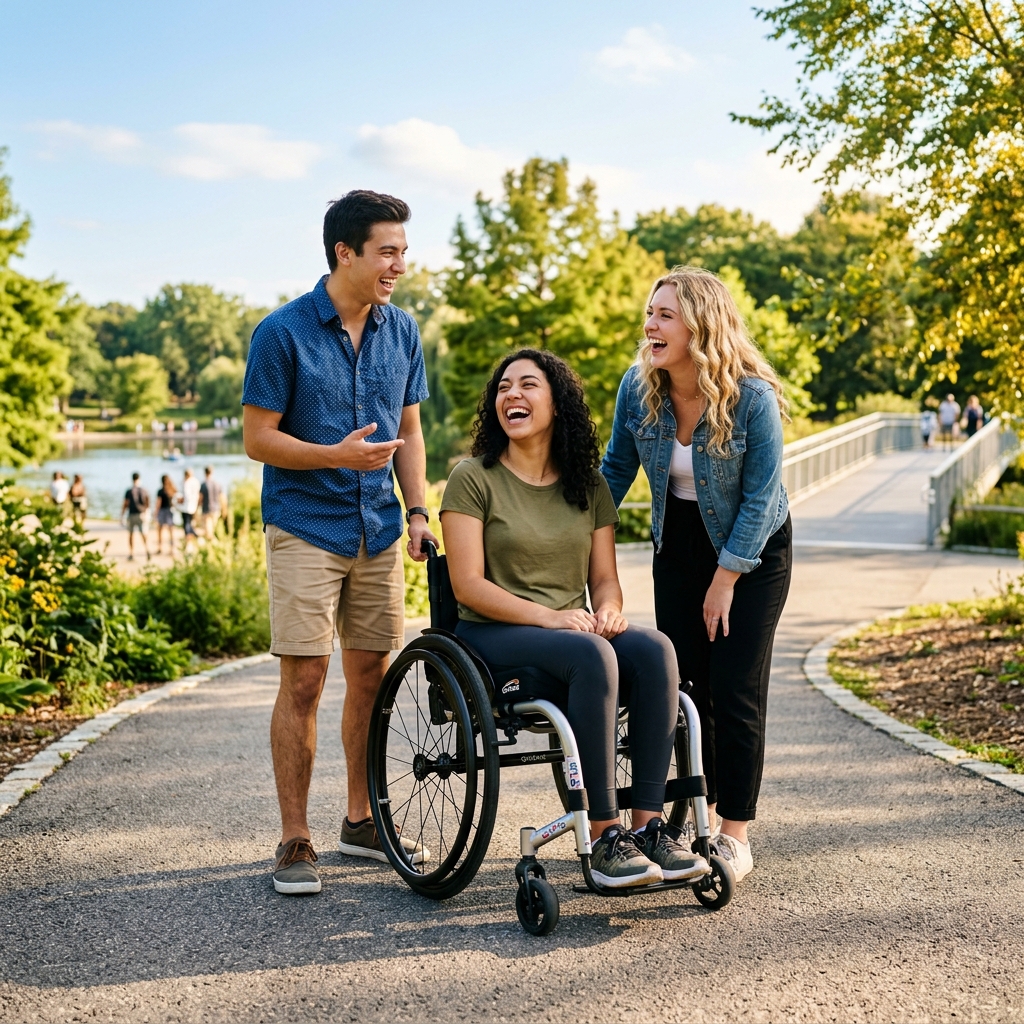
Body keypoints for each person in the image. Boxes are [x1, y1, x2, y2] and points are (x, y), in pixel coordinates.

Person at [441, 349, 708, 888]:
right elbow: (467, 585)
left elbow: (604, 580)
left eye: (527, 385)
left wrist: (607, 609)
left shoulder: (587, 486)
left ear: (557, 404)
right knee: (591, 653)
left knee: (656, 650)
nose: (511, 395)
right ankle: (606, 835)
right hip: (491, 635)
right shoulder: (472, 478)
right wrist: (550, 618)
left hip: (569, 633)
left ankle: (650, 826)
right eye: (503, 388)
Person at [242, 189, 439, 896]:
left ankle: (362, 821)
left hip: (380, 528)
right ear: (344, 253)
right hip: (304, 525)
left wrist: (418, 511)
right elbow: (257, 438)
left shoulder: (402, 331)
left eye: (403, 252)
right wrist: (335, 456)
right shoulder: (282, 333)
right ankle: (295, 838)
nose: (399, 265)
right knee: (304, 679)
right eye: (388, 251)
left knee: (371, 678)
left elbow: (410, 431)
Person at [601, 266, 793, 884]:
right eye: (649, 313)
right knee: (685, 687)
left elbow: (762, 501)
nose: (649, 325)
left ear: (701, 326)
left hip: (753, 554)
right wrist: (568, 537)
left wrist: (726, 579)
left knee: (735, 686)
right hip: (679, 546)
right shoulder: (640, 388)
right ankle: (695, 814)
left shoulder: (752, 398)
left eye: (664, 315)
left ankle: (734, 831)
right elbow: (612, 474)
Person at [121, 472, 151, 562]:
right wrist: (146, 512)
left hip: (132, 514)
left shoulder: (129, 491)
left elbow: (125, 504)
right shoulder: (144, 490)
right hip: (142, 513)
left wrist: (122, 515)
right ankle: (147, 549)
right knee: (144, 533)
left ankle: (131, 553)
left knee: (131, 534)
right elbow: (147, 502)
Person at [178, 468, 201, 553]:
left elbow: (186, 495)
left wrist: (180, 500)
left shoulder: (187, 483)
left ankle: (189, 543)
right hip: (194, 506)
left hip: (186, 507)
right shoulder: (196, 481)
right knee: (190, 524)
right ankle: (195, 537)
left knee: (186, 525)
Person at [199, 466, 224, 539]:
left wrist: (197, 507)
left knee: (208, 531)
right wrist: (223, 508)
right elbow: (222, 497)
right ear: (212, 472)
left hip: (206, 510)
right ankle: (211, 545)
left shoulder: (203, 485)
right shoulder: (217, 484)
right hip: (216, 509)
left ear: (205, 473)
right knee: (211, 529)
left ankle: (210, 545)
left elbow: (200, 498)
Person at [155, 475, 177, 555]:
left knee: (160, 530)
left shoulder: (161, 491)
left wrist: (155, 514)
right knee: (171, 531)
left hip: (162, 511)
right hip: (170, 511)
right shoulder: (172, 490)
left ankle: (160, 548)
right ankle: (172, 549)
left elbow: (158, 503)